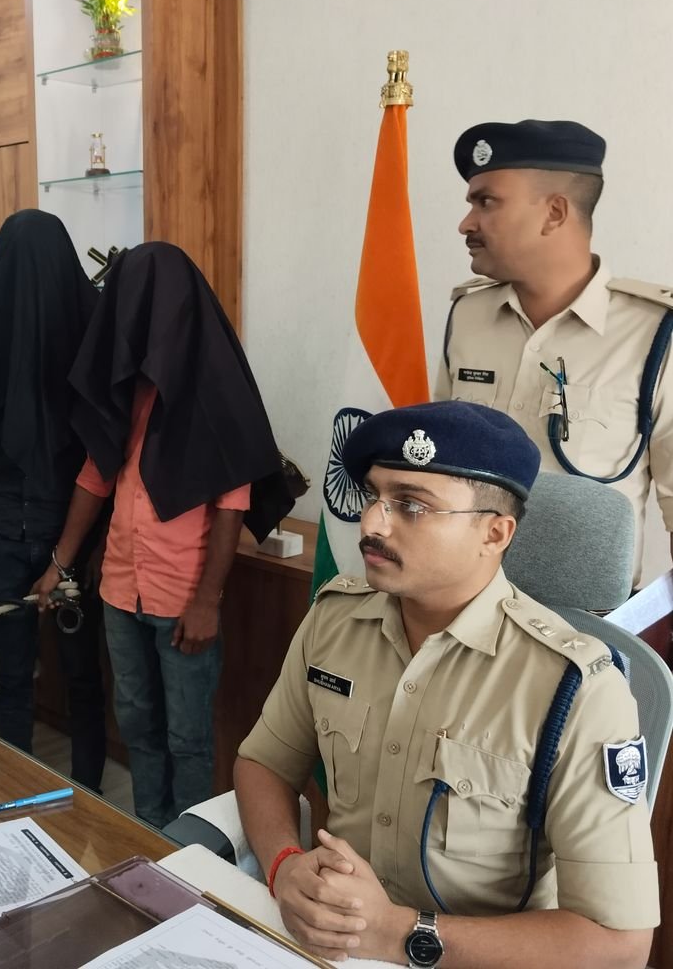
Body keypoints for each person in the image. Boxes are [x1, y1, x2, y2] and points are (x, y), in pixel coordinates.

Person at [235, 400, 658, 968]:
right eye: (373, 496)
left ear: (495, 533)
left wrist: (397, 933)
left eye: (411, 505)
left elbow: (620, 945)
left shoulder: (576, 689)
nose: (372, 523)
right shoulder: (333, 621)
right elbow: (263, 762)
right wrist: (285, 864)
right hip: (329, 946)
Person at [35, 242, 292, 829]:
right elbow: (95, 476)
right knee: (136, 723)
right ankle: (148, 831)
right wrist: (60, 562)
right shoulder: (123, 386)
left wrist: (207, 601)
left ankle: (188, 852)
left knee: (187, 737)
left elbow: (232, 502)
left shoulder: (213, 389)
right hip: (119, 588)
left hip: (182, 597)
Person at [434, 118, 673, 585]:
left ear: (555, 212)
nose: (466, 223)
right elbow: (440, 465)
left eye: (486, 202)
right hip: (459, 602)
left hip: (579, 619)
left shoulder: (654, 335)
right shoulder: (468, 315)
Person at [0, 209, 107, 790]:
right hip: (5, 526)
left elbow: (106, 458)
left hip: (67, 532)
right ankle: (19, 788)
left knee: (71, 675)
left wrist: (88, 549)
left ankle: (88, 793)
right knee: (20, 673)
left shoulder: (92, 333)